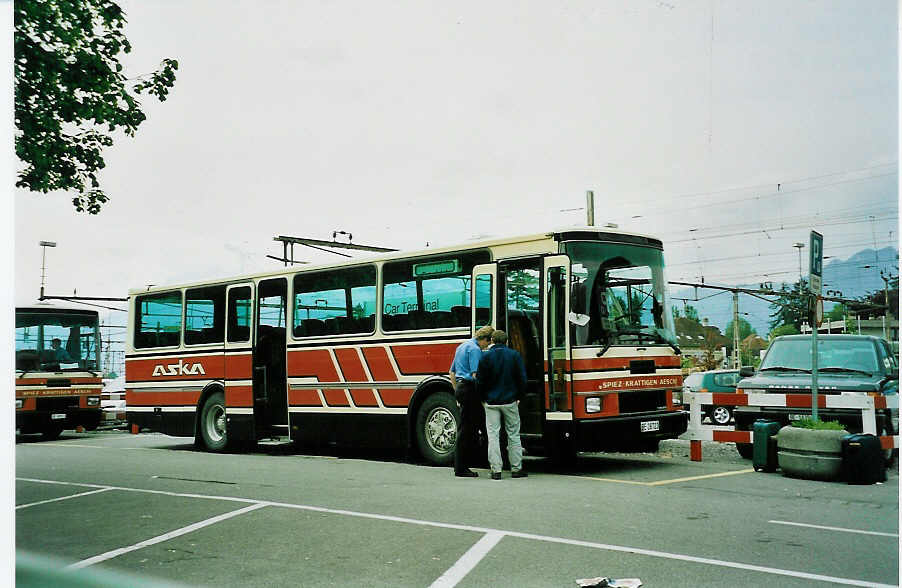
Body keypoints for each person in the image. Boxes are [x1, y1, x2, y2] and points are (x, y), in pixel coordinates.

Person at [476, 330, 527, 480]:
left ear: (492, 340)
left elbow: (480, 382)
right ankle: (516, 469)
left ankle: (496, 470)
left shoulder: (485, 357)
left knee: (493, 436)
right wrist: (519, 397)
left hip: (491, 402)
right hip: (510, 401)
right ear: (506, 341)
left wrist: (483, 399)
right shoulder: (514, 355)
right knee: (513, 435)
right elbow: (522, 379)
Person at [449, 325, 494, 477]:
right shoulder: (475, 350)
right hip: (470, 389)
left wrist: (457, 392)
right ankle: (461, 467)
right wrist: (483, 397)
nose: (487, 347)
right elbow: (476, 375)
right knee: (468, 429)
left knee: (471, 426)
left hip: (461, 388)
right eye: (487, 343)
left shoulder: (462, 346)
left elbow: (452, 372)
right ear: (484, 339)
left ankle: (474, 460)